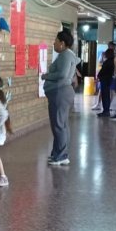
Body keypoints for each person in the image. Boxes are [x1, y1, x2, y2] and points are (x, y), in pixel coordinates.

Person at [42, 30, 79, 165]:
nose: (54, 43)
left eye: (56, 41)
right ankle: (58, 153)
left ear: (62, 43)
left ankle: (61, 156)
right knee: (61, 125)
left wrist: (46, 76)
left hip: (60, 93)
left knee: (59, 125)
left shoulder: (65, 56)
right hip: (60, 93)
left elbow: (62, 75)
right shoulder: (68, 55)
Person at [95, 48, 115, 118]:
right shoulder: (113, 61)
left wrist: (98, 77)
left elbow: (103, 71)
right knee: (107, 95)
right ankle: (106, 110)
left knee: (105, 96)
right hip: (109, 80)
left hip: (105, 80)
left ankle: (106, 111)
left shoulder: (108, 62)